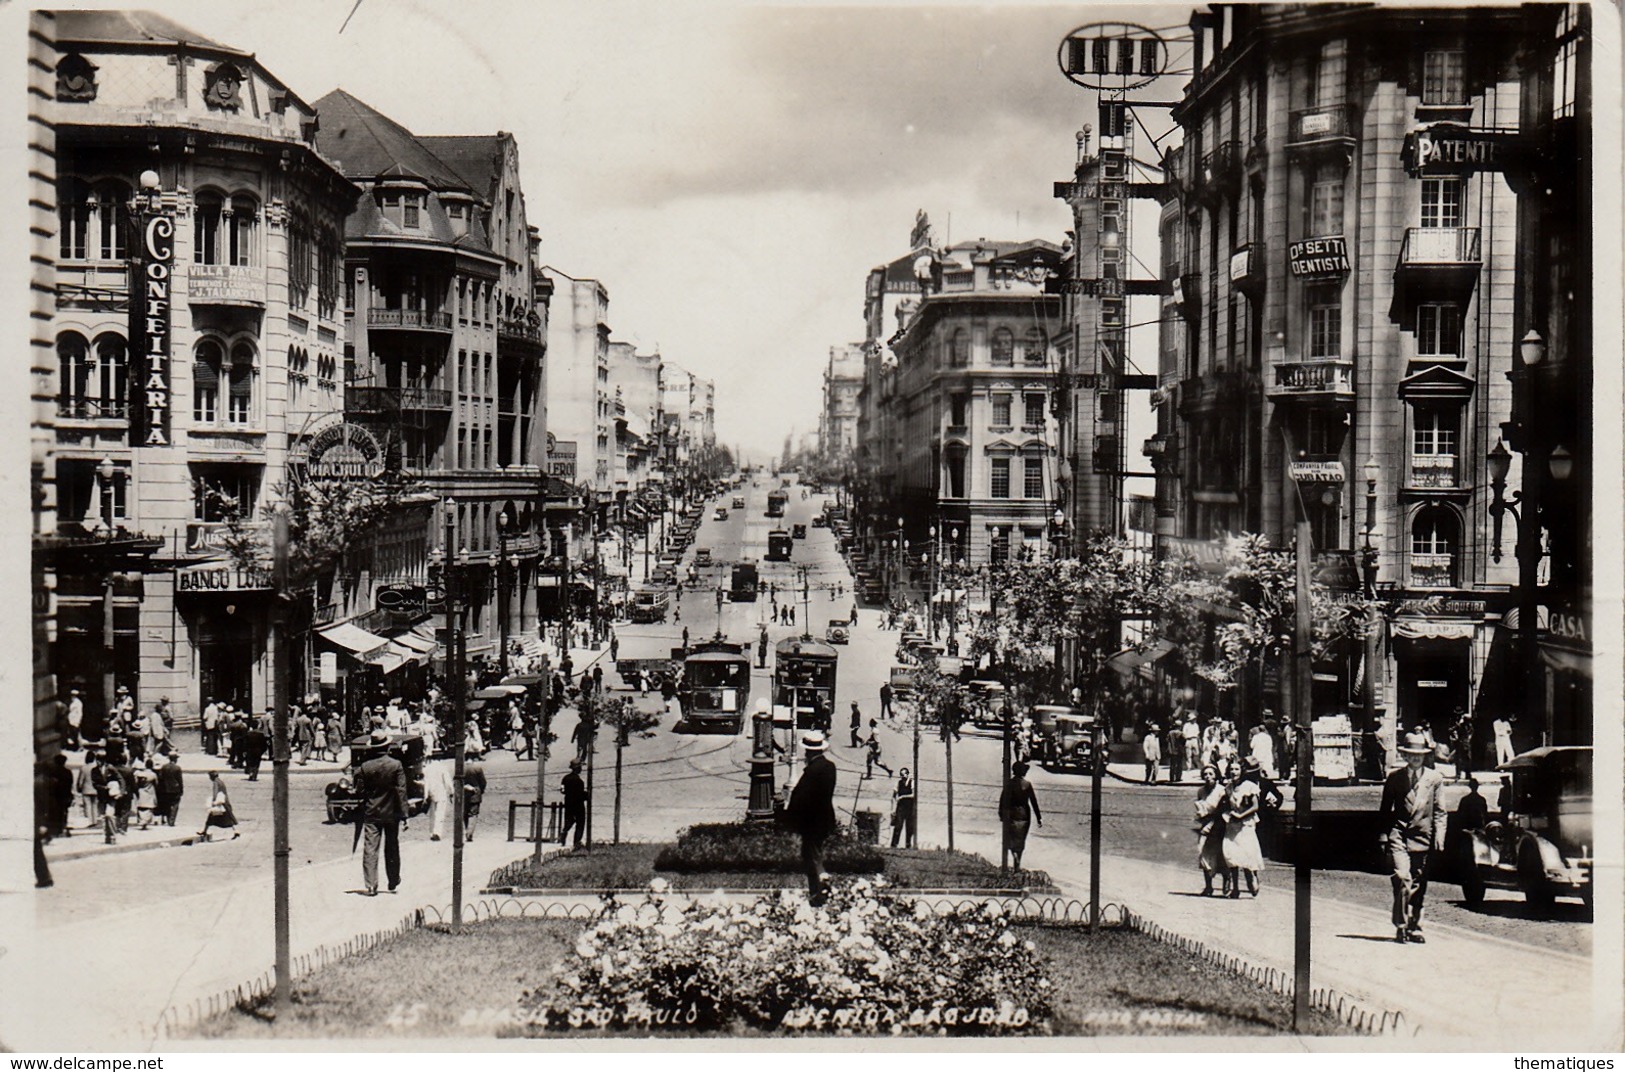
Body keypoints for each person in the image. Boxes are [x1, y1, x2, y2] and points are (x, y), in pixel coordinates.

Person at [1379, 731, 1446, 944]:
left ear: (1425, 756)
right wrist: (1383, 835)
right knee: (1402, 877)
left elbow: (1440, 810)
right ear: (1405, 756)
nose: (1415, 757)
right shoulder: (1394, 779)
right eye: (1410, 754)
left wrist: (1440, 836)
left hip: (1423, 836)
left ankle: (1416, 926)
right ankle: (1401, 925)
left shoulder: (1434, 779)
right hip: (1399, 834)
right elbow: (1385, 811)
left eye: (1419, 754)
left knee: (1418, 882)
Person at [785, 731, 838, 905]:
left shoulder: (812, 771)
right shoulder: (830, 767)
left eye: (807, 752)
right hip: (825, 819)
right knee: (816, 853)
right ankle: (819, 889)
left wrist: (790, 817)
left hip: (811, 822)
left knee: (812, 857)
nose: (806, 755)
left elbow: (801, 797)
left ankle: (819, 891)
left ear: (810, 752)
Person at [356, 732, 408, 896]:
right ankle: (393, 880)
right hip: (391, 812)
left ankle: (371, 885)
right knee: (392, 845)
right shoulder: (396, 765)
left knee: (370, 848)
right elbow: (401, 791)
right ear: (387, 746)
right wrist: (405, 815)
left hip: (372, 812)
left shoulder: (365, 766)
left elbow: (360, 791)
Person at [1222, 758, 1264, 898]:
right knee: (1231, 855)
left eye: (1236, 769)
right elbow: (1227, 805)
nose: (1233, 772)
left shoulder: (1249, 786)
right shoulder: (1228, 788)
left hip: (1246, 824)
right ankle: (1235, 888)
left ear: (1242, 771)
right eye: (1231, 769)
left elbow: (1255, 806)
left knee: (1247, 853)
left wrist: (1241, 815)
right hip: (1232, 825)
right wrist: (1227, 814)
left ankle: (1252, 876)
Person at [998, 761, 1042, 871]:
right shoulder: (1027, 784)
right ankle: (1017, 864)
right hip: (1024, 814)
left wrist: (1001, 813)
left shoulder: (1009, 784)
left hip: (1011, 813)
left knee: (1011, 838)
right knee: (1021, 839)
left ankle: (1015, 857)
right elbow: (1033, 801)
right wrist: (1038, 817)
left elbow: (1003, 799)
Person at [1194, 765, 1229, 896]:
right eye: (1205, 774)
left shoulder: (1221, 790)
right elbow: (1200, 806)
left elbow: (1223, 809)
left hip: (1218, 826)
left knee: (1221, 856)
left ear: (1216, 775)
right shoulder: (1201, 791)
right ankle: (1208, 886)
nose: (1208, 777)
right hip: (1205, 826)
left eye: (1211, 774)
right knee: (1204, 854)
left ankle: (1227, 881)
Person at [195, 770, 240, 842]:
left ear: (212, 776)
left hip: (221, 803)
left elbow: (215, 793)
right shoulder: (220, 781)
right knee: (229, 817)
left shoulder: (216, 783)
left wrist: (214, 802)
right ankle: (236, 831)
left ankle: (204, 831)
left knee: (213, 816)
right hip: (225, 802)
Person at [559, 759, 587, 849]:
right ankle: (577, 841)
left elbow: (562, 790)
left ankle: (564, 833)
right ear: (577, 768)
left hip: (568, 802)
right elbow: (580, 794)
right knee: (580, 822)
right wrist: (587, 795)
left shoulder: (565, 778)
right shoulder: (579, 781)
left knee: (569, 820)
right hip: (578, 804)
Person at [463, 746, 486, 842]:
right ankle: (469, 833)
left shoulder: (461, 767)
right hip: (475, 793)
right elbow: (483, 782)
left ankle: (467, 830)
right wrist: (481, 790)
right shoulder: (477, 767)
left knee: (465, 813)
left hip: (464, 794)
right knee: (473, 814)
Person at [890, 768, 916, 848]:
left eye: (904, 774)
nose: (902, 776)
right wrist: (892, 809)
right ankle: (894, 844)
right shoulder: (898, 783)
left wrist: (902, 797)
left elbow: (913, 795)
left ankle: (908, 844)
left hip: (910, 807)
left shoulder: (912, 782)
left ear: (907, 774)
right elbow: (893, 797)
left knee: (910, 826)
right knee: (898, 825)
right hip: (900, 807)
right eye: (901, 774)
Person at [1451, 706, 1475, 782]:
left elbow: (1471, 730)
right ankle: (1458, 775)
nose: (1459, 715)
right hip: (1458, 742)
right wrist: (1455, 729)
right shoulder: (1453, 720)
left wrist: (1468, 738)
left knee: (1467, 759)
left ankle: (1468, 774)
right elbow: (1450, 729)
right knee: (1458, 759)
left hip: (1465, 742)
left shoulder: (1466, 721)